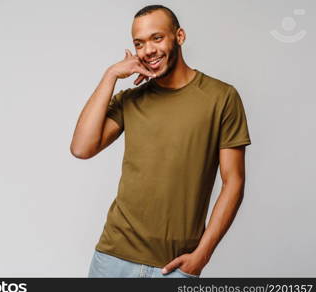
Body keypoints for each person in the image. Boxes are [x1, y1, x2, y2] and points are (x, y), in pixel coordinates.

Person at [70, 4, 252, 278]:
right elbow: (81, 148)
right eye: (139, 43)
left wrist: (202, 256)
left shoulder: (221, 97)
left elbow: (234, 180)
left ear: (179, 36)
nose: (149, 50)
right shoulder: (131, 99)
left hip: (175, 266)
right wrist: (110, 76)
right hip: (113, 257)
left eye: (157, 38)